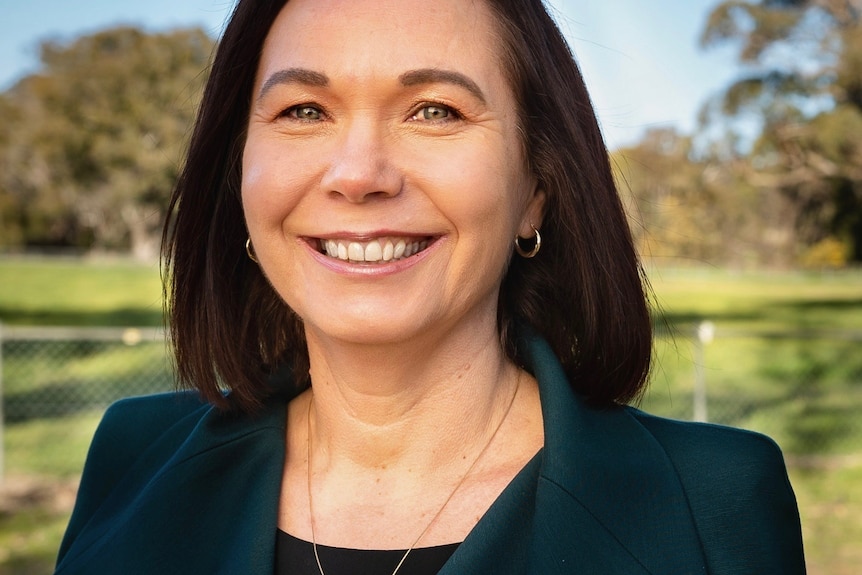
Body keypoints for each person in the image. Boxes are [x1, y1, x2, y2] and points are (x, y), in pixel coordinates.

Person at [54, 0, 806, 573]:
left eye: (435, 111)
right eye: (303, 110)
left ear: (537, 187)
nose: (358, 174)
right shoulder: (132, 459)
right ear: (240, 172)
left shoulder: (719, 504)